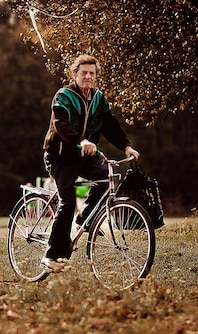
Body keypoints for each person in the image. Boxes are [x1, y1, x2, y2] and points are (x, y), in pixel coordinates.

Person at [41, 54, 140, 269]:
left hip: (84, 157)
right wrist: (81, 140)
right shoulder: (64, 96)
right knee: (67, 202)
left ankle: (83, 219)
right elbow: (61, 124)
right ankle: (52, 255)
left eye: (92, 73)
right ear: (75, 74)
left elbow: (110, 125)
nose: (88, 76)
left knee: (107, 178)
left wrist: (126, 146)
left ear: (96, 76)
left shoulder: (98, 99)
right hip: (60, 157)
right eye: (83, 73)